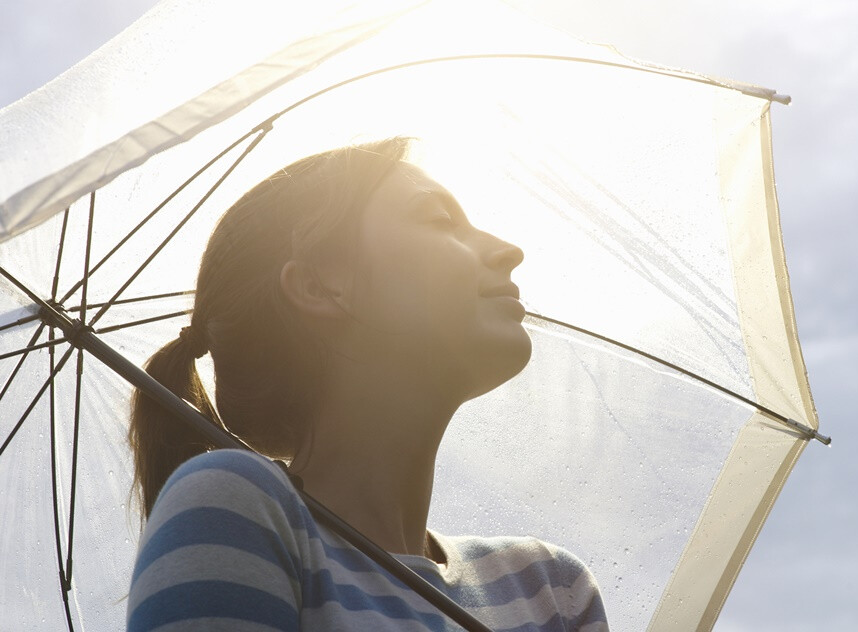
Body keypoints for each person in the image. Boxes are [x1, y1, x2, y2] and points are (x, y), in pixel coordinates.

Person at [126, 138, 609, 631]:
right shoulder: (233, 510)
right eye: (441, 221)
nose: (509, 251)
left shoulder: (549, 587)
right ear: (321, 286)